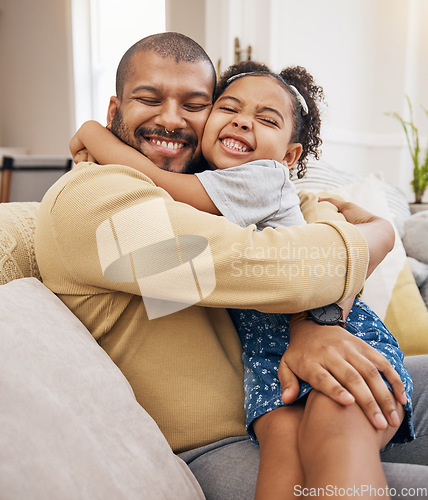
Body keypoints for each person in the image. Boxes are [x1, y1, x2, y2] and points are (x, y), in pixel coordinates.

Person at [35, 32, 428, 498]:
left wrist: (314, 320)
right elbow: (272, 265)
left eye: (195, 104)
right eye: (149, 99)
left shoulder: (201, 187)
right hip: (222, 442)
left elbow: (310, 209)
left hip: (286, 376)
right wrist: (376, 238)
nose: (171, 119)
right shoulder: (95, 203)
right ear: (114, 113)